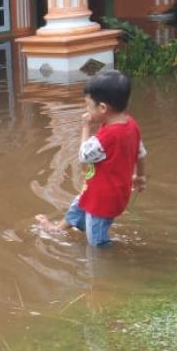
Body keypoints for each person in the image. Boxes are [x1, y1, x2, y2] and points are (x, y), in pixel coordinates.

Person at [36, 70, 147, 247]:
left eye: (88, 106)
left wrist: (86, 126)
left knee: (96, 241)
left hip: (102, 200)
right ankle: (58, 229)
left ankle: (104, 263)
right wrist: (140, 176)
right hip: (105, 190)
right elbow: (140, 153)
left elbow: (83, 156)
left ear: (103, 108)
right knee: (77, 206)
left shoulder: (107, 137)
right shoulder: (131, 125)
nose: (87, 111)